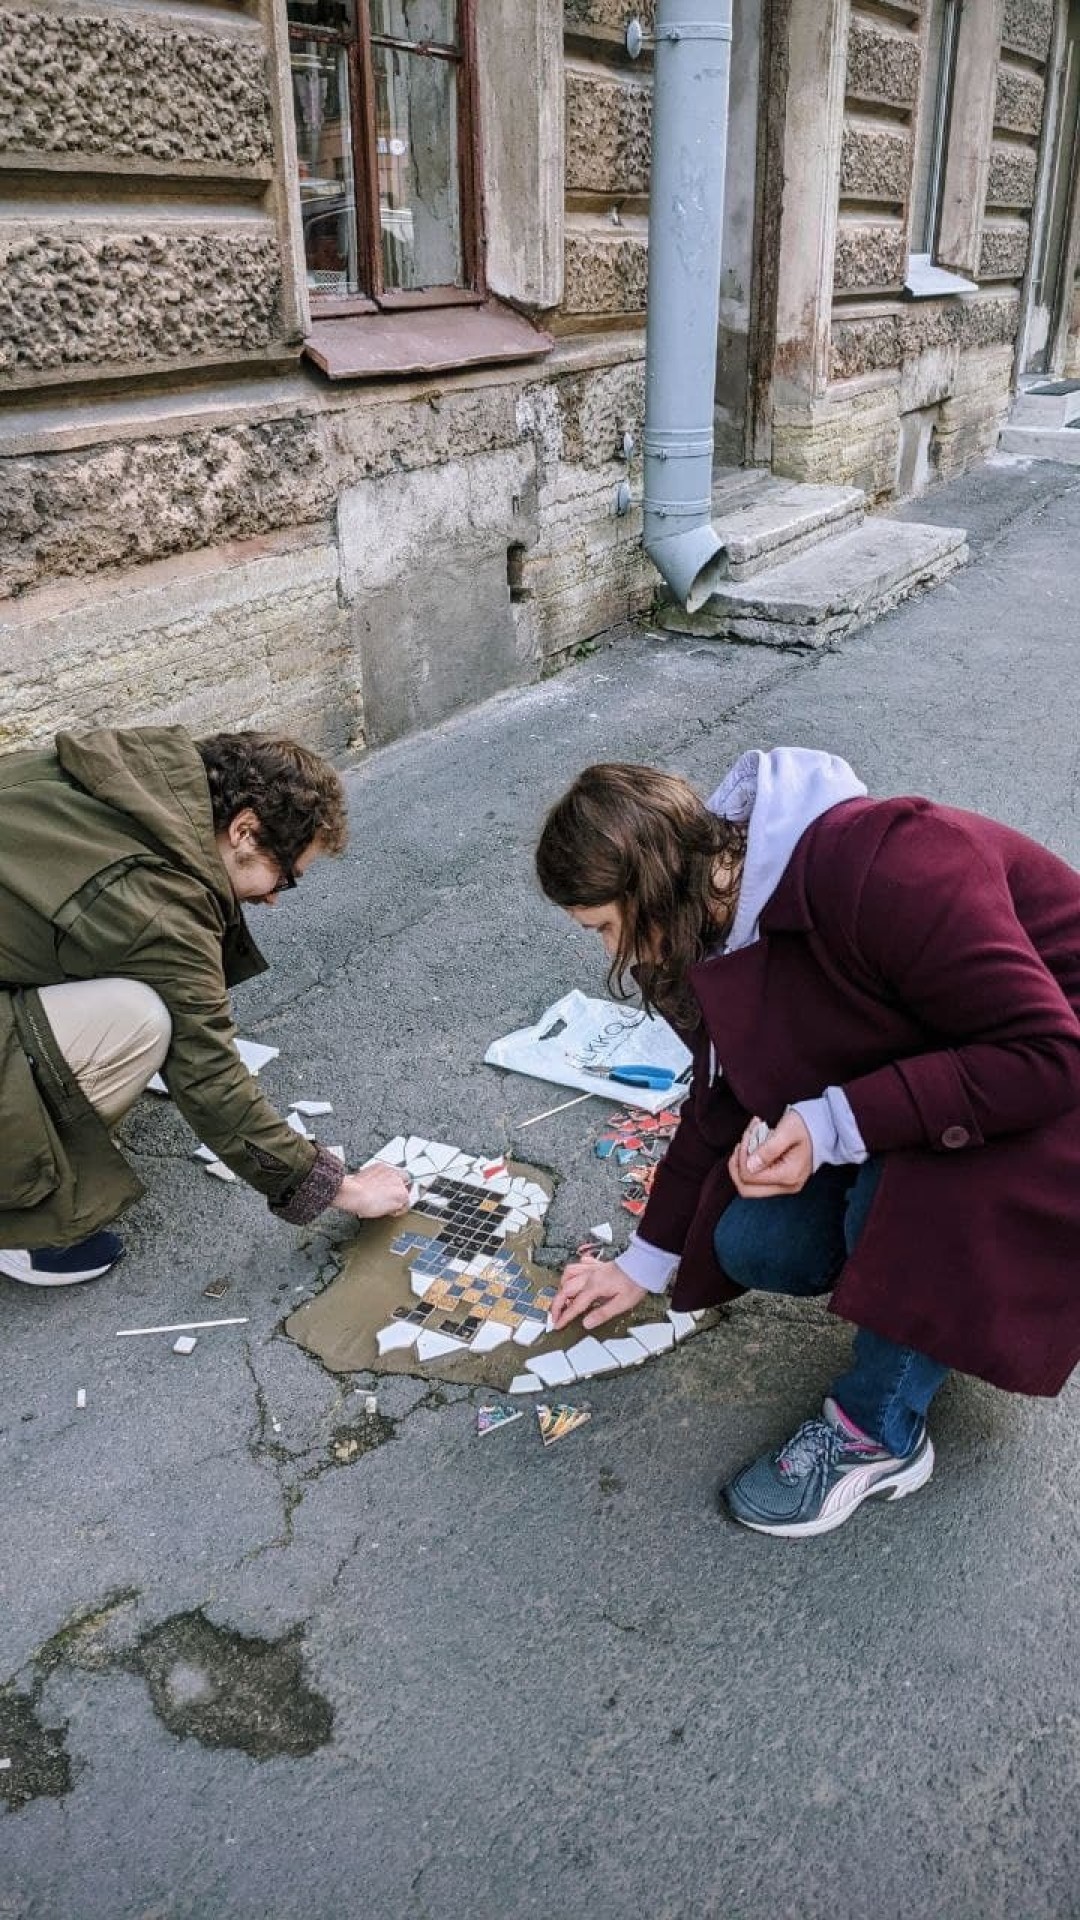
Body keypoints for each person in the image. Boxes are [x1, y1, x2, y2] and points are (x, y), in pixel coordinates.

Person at [536, 749, 1080, 1538]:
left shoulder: (892, 862)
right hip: (960, 1070)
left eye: (605, 928)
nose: (610, 952)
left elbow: (1047, 1055)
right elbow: (716, 1098)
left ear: (651, 891)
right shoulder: (709, 924)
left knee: (895, 1211)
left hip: (1053, 1083)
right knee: (755, 1242)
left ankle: (879, 1434)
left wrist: (833, 1123)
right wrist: (642, 1262)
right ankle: (935, 1311)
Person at [0, 726, 409, 1286]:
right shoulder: (158, 906)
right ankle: (21, 1222)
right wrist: (343, 1188)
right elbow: (210, 1076)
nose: (271, 899)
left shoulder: (136, 774)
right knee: (139, 1020)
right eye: (284, 879)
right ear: (244, 830)